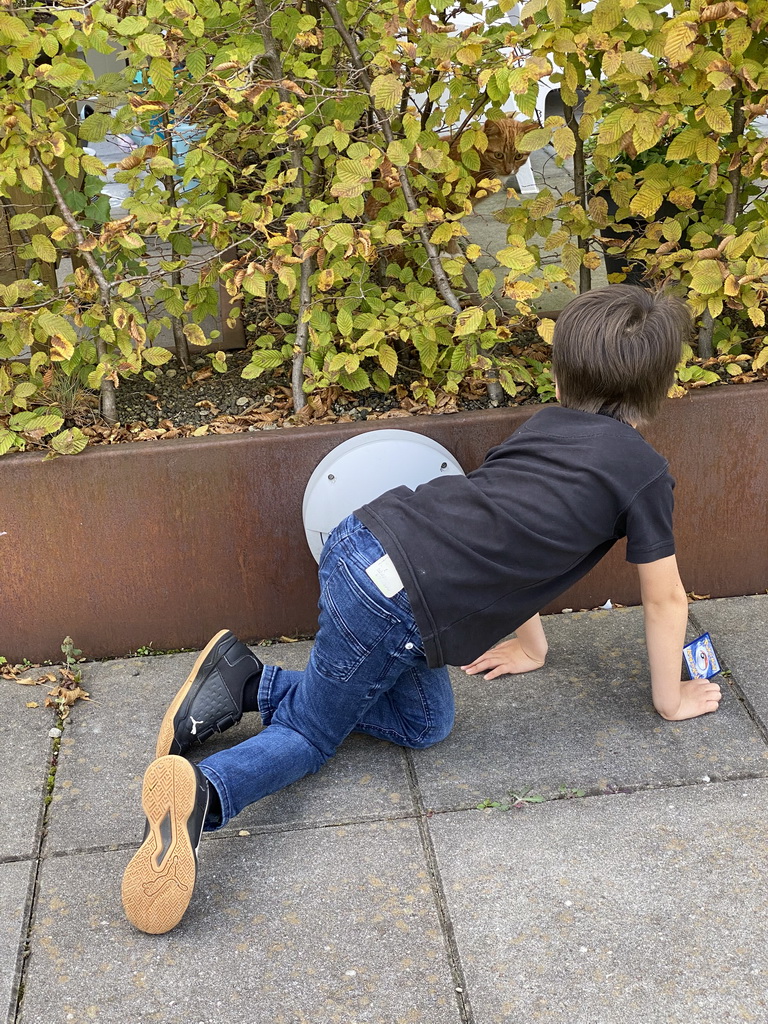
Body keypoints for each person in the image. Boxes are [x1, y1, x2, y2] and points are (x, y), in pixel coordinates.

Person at [121, 284, 722, 934]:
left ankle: (246, 683)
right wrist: (671, 698)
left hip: (375, 542)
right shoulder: (642, 472)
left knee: (427, 723)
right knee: (312, 734)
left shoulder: (546, 425)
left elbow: (509, 533)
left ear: (561, 369)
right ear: (662, 384)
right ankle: (204, 796)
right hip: (398, 603)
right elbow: (664, 598)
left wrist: (533, 646)